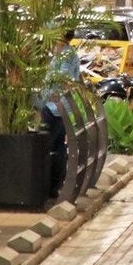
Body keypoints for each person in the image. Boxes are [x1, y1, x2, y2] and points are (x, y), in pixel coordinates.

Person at [38, 30, 80, 196]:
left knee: (51, 146)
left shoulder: (66, 55)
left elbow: (62, 78)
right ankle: (54, 185)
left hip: (55, 107)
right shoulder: (65, 52)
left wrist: (48, 95)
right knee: (58, 146)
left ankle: (51, 186)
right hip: (58, 106)